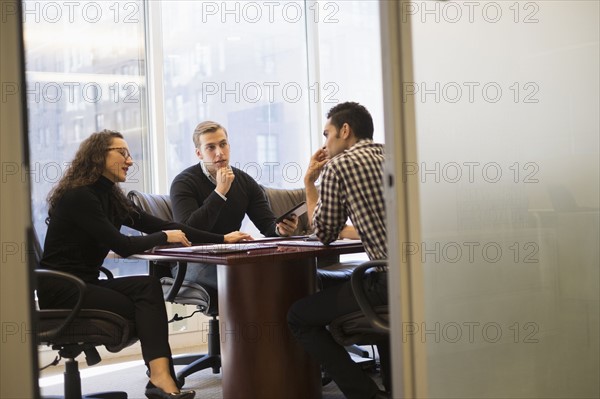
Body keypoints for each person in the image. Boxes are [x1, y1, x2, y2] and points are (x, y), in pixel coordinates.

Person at [37, 130, 251, 399]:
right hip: (62, 289)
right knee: (143, 308)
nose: (130, 160)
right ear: (97, 156)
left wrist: (223, 238)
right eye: (122, 152)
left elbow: (168, 225)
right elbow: (124, 246)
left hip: (86, 284)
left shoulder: (111, 198)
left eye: (129, 154)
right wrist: (163, 237)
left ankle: (160, 378)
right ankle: (160, 379)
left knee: (148, 287)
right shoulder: (80, 197)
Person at [287, 102, 390, 399]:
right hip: (422, 276)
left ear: (345, 130)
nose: (325, 144)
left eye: (327, 134)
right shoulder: (398, 155)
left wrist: (309, 183)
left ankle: (365, 395)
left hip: (387, 281)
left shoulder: (339, 166)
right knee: (332, 282)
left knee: (298, 316)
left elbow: (323, 234)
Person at [169, 121, 298, 290]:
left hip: (231, 257)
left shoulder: (245, 181)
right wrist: (220, 192)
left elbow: (267, 224)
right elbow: (189, 232)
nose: (219, 153)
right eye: (210, 147)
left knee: (287, 273)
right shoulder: (183, 182)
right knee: (250, 280)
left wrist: (280, 230)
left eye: (223, 144)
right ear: (199, 153)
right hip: (192, 262)